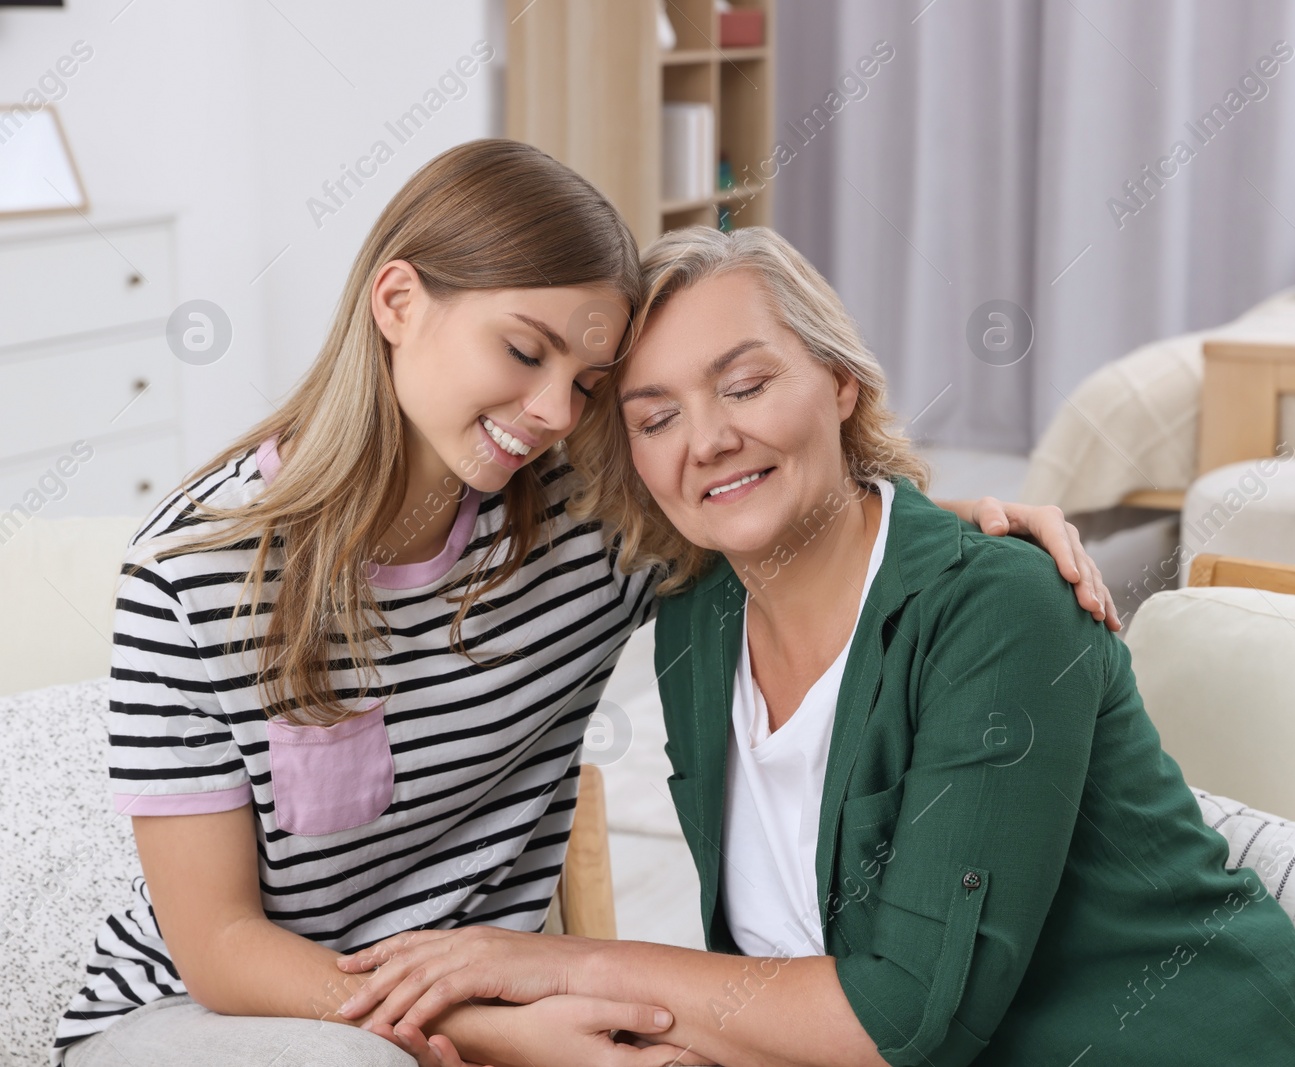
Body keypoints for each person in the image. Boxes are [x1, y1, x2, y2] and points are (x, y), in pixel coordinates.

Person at [55, 142, 1115, 1067]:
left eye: (589, 381)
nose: (551, 412)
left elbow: (789, 517)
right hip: (220, 1012)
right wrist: (484, 1027)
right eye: (523, 351)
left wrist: (957, 528)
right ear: (397, 301)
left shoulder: (590, 522)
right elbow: (219, 943)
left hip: (500, 993)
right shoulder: (192, 579)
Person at [333, 226, 1295, 1067]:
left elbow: (903, 1014)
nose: (706, 440)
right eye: (656, 417)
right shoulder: (696, 617)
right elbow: (767, 977)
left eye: (744, 385)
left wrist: (552, 961)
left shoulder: (1000, 608)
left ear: (838, 383)